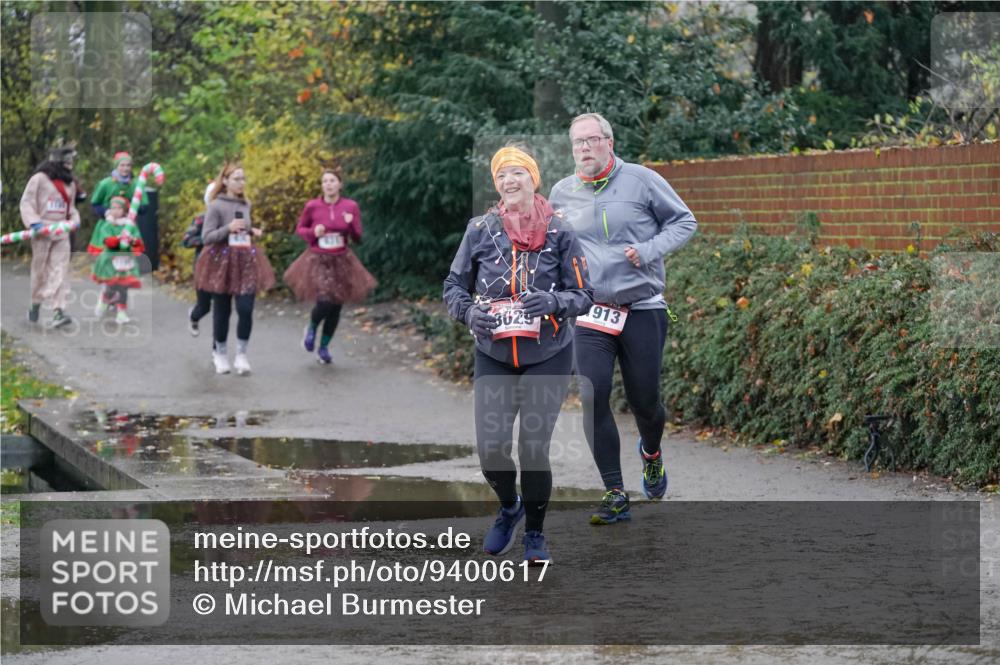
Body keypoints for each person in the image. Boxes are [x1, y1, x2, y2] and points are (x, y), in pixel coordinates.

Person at [443, 145, 593, 563]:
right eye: (502, 175)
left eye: (518, 174)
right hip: (493, 352)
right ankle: (510, 507)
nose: (510, 181)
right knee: (491, 449)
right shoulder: (479, 229)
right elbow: (452, 287)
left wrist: (554, 302)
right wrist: (470, 313)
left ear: (534, 180)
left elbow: (584, 294)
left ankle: (536, 533)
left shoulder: (561, 231)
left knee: (532, 448)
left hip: (548, 353)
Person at [549, 112, 697, 525]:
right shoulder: (562, 193)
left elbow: (685, 220)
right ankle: (615, 492)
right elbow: (553, 249)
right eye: (578, 142)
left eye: (592, 140)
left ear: (609, 143)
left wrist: (648, 250)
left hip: (641, 308)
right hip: (590, 311)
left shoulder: (641, 180)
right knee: (593, 395)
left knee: (645, 401)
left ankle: (651, 453)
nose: (584, 149)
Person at [283, 167, 376, 364]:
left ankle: (323, 348)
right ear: (322, 185)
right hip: (318, 259)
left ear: (340, 184)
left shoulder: (351, 206)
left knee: (336, 307)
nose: (328, 184)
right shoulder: (312, 206)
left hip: (342, 259)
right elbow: (301, 228)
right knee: (325, 301)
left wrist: (350, 225)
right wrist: (312, 233)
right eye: (325, 181)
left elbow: (358, 237)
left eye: (332, 180)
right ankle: (311, 327)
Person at [195, 163, 275, 375]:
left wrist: (251, 230)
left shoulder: (246, 203)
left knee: (246, 308)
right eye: (237, 179)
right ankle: (220, 354)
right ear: (226, 181)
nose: (241, 183)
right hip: (221, 263)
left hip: (245, 260)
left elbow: (242, 226)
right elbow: (207, 237)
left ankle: (241, 354)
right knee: (222, 310)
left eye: (243, 178)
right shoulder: (216, 206)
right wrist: (227, 228)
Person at [19, 143, 81, 328]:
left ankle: (58, 311)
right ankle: (35, 303)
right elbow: (27, 202)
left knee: (60, 269)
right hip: (41, 232)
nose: (71, 164)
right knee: (40, 271)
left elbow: (71, 209)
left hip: (61, 232)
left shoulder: (70, 184)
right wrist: (33, 222)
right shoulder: (39, 179)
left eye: (72, 160)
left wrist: (75, 220)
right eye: (68, 160)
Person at [87, 196, 144, 324]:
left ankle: (121, 312)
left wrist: (132, 241)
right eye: (113, 208)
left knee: (124, 287)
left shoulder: (130, 225)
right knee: (111, 286)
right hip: (110, 260)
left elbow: (138, 242)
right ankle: (105, 298)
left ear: (124, 210)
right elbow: (107, 241)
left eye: (119, 208)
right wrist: (119, 239)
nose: (116, 211)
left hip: (125, 260)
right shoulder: (107, 225)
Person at [182, 182, 217, 337]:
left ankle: (219, 345)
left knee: (221, 304)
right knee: (205, 306)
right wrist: (207, 239)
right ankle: (194, 317)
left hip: (222, 266)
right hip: (202, 266)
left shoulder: (229, 219)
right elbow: (186, 240)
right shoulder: (200, 220)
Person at [90, 151, 148, 217]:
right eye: (122, 165)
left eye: (128, 165)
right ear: (116, 166)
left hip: (129, 223)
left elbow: (144, 207)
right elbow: (95, 205)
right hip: (107, 223)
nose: (125, 168)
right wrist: (107, 212)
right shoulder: (104, 184)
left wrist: (130, 206)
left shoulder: (137, 184)